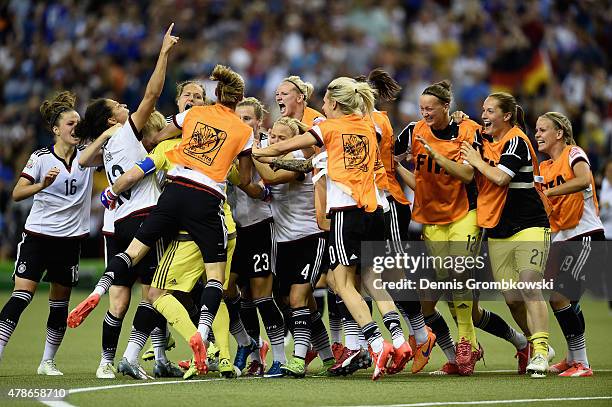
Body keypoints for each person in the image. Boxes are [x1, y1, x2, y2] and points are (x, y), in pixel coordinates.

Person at [254, 77, 394, 381]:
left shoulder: (328, 128)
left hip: (345, 211)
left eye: (327, 100)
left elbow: (288, 148)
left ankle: (375, 343)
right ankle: (393, 339)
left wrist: (258, 152)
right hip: (374, 210)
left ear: (333, 103)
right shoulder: (368, 126)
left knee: (342, 284)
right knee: (368, 280)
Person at [69, 24, 179, 380]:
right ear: (112, 118)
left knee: (120, 299)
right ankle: (137, 354)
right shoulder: (127, 131)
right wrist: (162, 54)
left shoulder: (107, 145)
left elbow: (82, 160)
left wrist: (103, 132)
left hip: (116, 223)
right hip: (146, 216)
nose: (124, 105)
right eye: (117, 106)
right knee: (155, 291)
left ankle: (105, 362)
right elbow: (152, 93)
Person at [0, 91, 94, 375]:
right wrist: (41, 185)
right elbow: (17, 193)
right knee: (22, 295)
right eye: (70, 123)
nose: (76, 127)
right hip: (39, 237)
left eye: (79, 122)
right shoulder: (40, 157)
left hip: (70, 241)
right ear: (56, 129)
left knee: (59, 304)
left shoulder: (87, 158)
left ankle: (47, 362)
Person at [461, 92, 551, 378]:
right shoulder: (489, 139)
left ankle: (539, 351)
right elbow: (474, 134)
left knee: (529, 285)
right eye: (482, 110)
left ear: (507, 116)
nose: (484, 115)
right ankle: (537, 343)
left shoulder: (516, 140)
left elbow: (500, 177)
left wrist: (474, 160)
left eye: (490, 111)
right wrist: (462, 121)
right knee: (512, 298)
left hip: (530, 224)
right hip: (498, 229)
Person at [253, 116, 334, 378]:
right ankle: (329, 357)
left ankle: (298, 359)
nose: (275, 141)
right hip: (282, 241)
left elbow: (270, 177)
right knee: (297, 303)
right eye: (273, 137)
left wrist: (250, 151)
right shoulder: (267, 152)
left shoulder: (300, 159)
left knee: (298, 299)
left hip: (310, 238)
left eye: (281, 138)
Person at [536, 111, 605, 377]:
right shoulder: (544, 167)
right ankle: (572, 358)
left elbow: (584, 179)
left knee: (559, 297)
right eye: (537, 130)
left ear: (559, 133)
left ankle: (583, 364)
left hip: (585, 236)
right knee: (566, 302)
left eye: (543, 130)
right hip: (562, 239)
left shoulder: (573, 153)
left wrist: (549, 191)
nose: (538, 134)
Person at [227, 97, 285, 378]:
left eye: (248, 119)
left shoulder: (267, 148)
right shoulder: (227, 145)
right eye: (238, 118)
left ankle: (279, 357)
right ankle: (249, 346)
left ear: (259, 122)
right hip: (235, 230)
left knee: (262, 295)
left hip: (262, 226)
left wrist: (254, 187)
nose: (242, 124)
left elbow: (264, 186)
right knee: (229, 290)